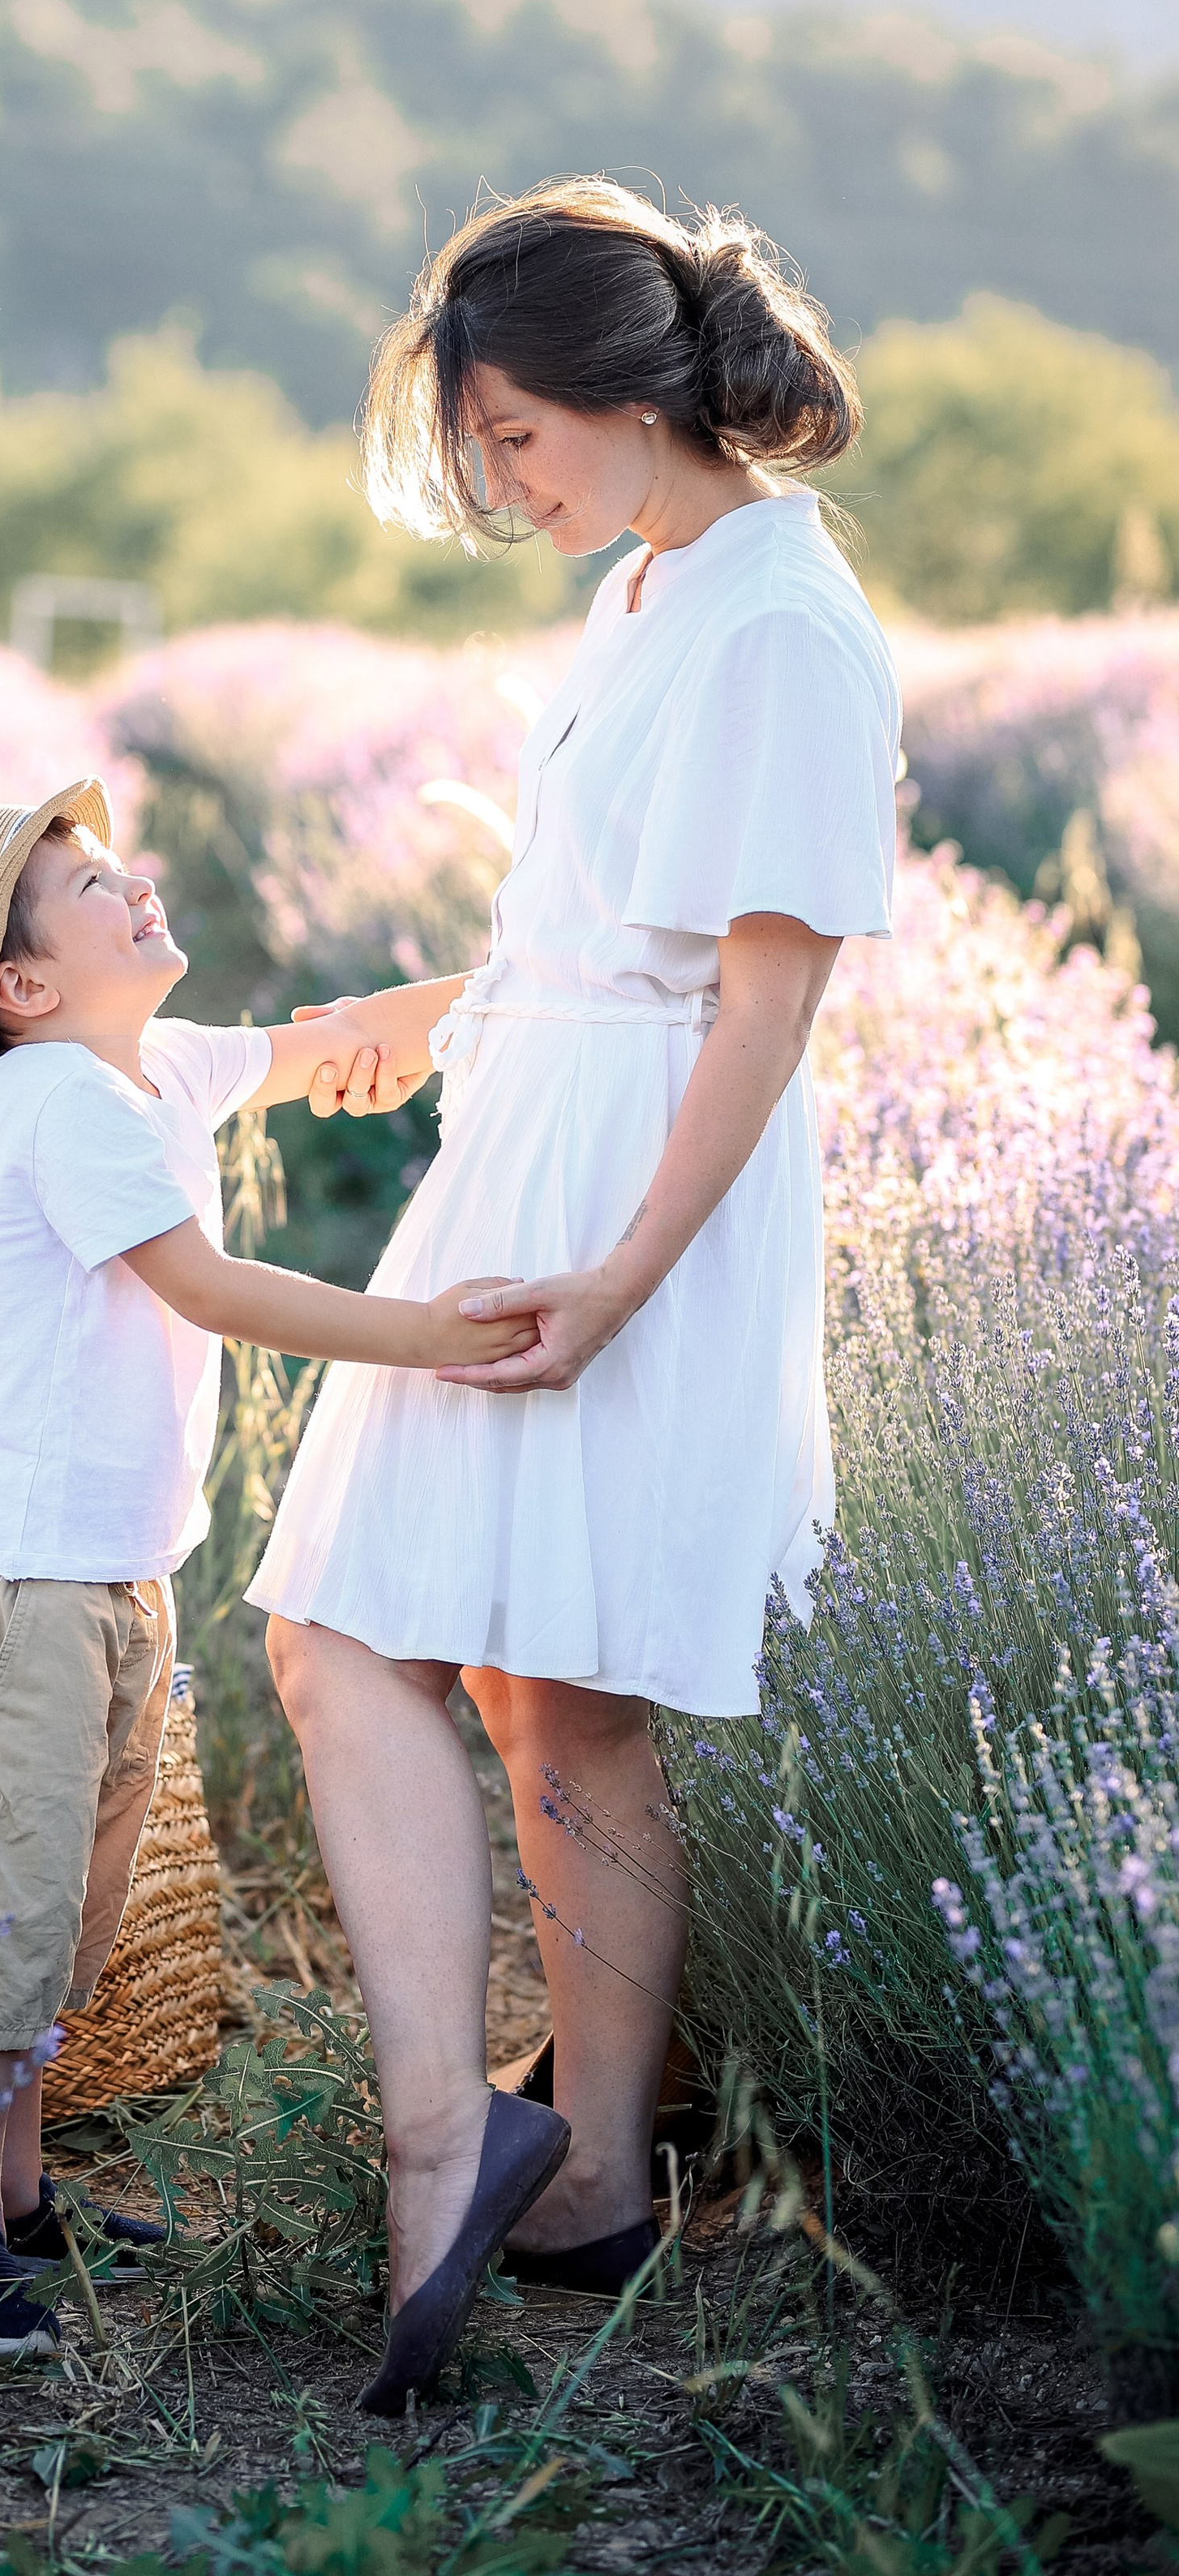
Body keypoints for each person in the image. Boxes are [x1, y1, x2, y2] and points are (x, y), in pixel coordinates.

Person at [249, 177, 901, 2414]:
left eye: (518, 435)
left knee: (372, 1635)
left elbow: (761, 1001)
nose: (503, 484)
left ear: (633, 393)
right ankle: (594, 2184)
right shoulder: (655, 587)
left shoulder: (777, 621)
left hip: (636, 1196)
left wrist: (627, 1277)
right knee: (543, 1684)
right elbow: (621, 920)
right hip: (540, 1135)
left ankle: (483, 2147)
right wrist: (444, 998)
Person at [0, 783, 564, 2360]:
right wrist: (427, 1337)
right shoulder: (52, 1104)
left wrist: (551, 982)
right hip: (27, 1598)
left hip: (112, 1582)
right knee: (6, 1921)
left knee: (73, 1917)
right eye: (91, 883)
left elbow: (332, 1043)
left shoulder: (154, 1063)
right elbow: (209, 1285)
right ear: (24, 989)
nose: (134, 883)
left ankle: (21, 2192)